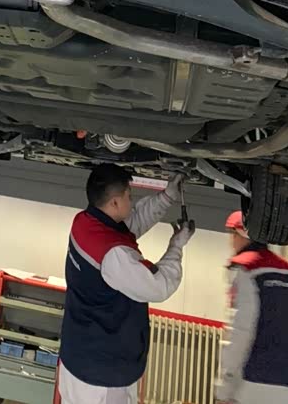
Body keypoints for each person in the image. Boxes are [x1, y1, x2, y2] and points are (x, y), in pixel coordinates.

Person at [59, 164, 195, 404]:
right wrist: (176, 246)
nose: (131, 202)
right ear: (114, 202)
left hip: (77, 361)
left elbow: (131, 225)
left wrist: (167, 197)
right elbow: (159, 286)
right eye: (128, 197)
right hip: (103, 378)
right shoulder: (113, 255)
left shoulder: (85, 223)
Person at [216, 210, 288, 404]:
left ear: (240, 235)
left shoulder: (246, 269)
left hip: (257, 385)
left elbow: (241, 330)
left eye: (232, 234)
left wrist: (225, 387)